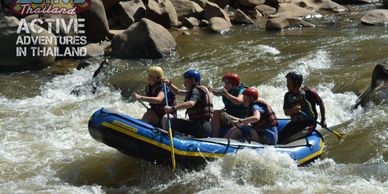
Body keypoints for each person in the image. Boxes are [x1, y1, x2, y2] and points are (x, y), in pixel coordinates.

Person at [278, 71, 326, 144]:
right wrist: (292, 110)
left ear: (296, 83)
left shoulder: (309, 93)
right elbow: (286, 112)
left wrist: (323, 120)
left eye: (289, 82)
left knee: (287, 140)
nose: (287, 85)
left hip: (308, 124)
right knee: (279, 137)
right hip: (295, 123)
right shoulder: (287, 96)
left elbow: (321, 103)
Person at [163, 70, 213, 138]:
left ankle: (169, 140)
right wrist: (169, 84)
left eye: (186, 81)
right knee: (183, 121)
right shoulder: (196, 90)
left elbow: (191, 103)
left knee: (171, 121)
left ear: (193, 81)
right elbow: (178, 92)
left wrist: (172, 108)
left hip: (200, 127)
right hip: (205, 127)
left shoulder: (196, 90)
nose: (184, 84)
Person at [211, 73, 247, 137]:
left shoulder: (242, 90)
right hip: (231, 116)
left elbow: (239, 101)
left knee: (216, 113)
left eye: (226, 83)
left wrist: (227, 95)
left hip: (240, 119)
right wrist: (210, 90)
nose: (224, 85)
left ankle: (214, 137)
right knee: (211, 113)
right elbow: (216, 93)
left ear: (232, 84)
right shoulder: (228, 90)